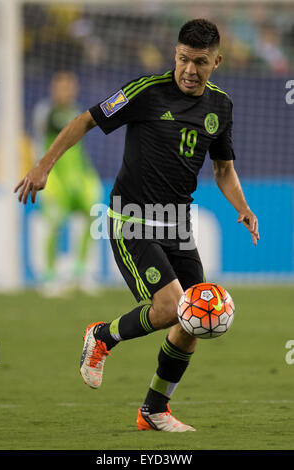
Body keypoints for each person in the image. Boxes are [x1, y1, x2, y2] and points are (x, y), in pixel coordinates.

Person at [15, 19, 259, 432]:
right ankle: (102, 337)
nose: (188, 69)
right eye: (183, 58)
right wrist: (43, 166)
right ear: (174, 54)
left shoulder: (221, 106)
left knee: (192, 319)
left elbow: (223, 169)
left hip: (177, 224)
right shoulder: (145, 91)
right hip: (131, 218)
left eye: (199, 62)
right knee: (168, 308)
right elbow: (86, 119)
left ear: (216, 61)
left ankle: (154, 411)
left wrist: (243, 206)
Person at [32, 71, 102, 293]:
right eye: (62, 87)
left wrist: (87, 174)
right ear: (53, 89)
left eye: (70, 87)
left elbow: (78, 149)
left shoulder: (76, 111)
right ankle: (49, 277)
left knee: (93, 216)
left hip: (79, 177)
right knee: (54, 223)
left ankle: (81, 272)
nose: (67, 91)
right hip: (55, 179)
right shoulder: (46, 112)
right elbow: (40, 143)